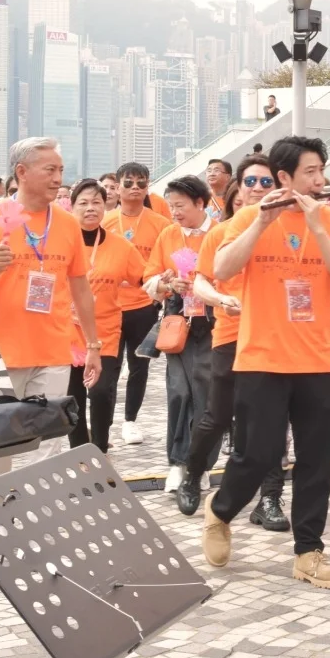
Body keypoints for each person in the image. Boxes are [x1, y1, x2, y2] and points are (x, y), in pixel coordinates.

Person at [200, 134, 330, 590]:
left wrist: (319, 228)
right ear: (285, 177)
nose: (320, 179)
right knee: (258, 455)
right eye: (311, 172)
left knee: (316, 460)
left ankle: (308, 551)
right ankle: (221, 510)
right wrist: (260, 222)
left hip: (317, 358)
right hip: (261, 357)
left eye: (322, 170)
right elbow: (222, 270)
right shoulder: (249, 216)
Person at [0, 137, 102, 479]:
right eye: (49, 170)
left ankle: (41, 506)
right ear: (21, 172)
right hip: (0, 352)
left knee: (48, 442)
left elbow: (81, 288)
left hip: (53, 349)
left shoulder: (67, 223)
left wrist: (93, 346)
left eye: (60, 170)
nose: (58, 179)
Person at [184, 157, 290, 531]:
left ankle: (270, 498)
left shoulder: (288, 232)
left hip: (275, 338)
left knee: (273, 420)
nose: (258, 190)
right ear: (237, 192)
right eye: (250, 183)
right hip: (232, 335)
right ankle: (192, 473)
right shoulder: (221, 234)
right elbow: (201, 281)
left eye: (266, 182)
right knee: (218, 415)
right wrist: (219, 299)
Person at [143, 176, 217, 493]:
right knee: (179, 392)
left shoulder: (220, 233)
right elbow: (149, 280)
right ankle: (177, 462)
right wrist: (167, 283)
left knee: (205, 395)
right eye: (171, 206)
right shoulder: (168, 235)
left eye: (180, 205)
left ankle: (200, 465)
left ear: (200, 203)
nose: (174, 212)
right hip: (178, 321)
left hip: (213, 323)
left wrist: (207, 287)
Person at [67, 180, 146, 451]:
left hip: (105, 333)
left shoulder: (121, 246)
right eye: (83, 203)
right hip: (67, 332)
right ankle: (79, 451)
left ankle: (99, 448)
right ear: (72, 207)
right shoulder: (62, 243)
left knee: (100, 392)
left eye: (96, 202)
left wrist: (163, 282)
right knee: (73, 397)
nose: (90, 208)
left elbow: (144, 276)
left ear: (106, 206)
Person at [105, 160, 169, 446]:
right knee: (109, 368)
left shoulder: (161, 224)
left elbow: (167, 262)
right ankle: (104, 423)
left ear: (148, 187)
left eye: (141, 183)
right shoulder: (104, 222)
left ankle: (130, 420)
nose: (135, 188)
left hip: (144, 306)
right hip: (109, 307)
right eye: (128, 183)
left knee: (139, 366)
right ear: (117, 188)